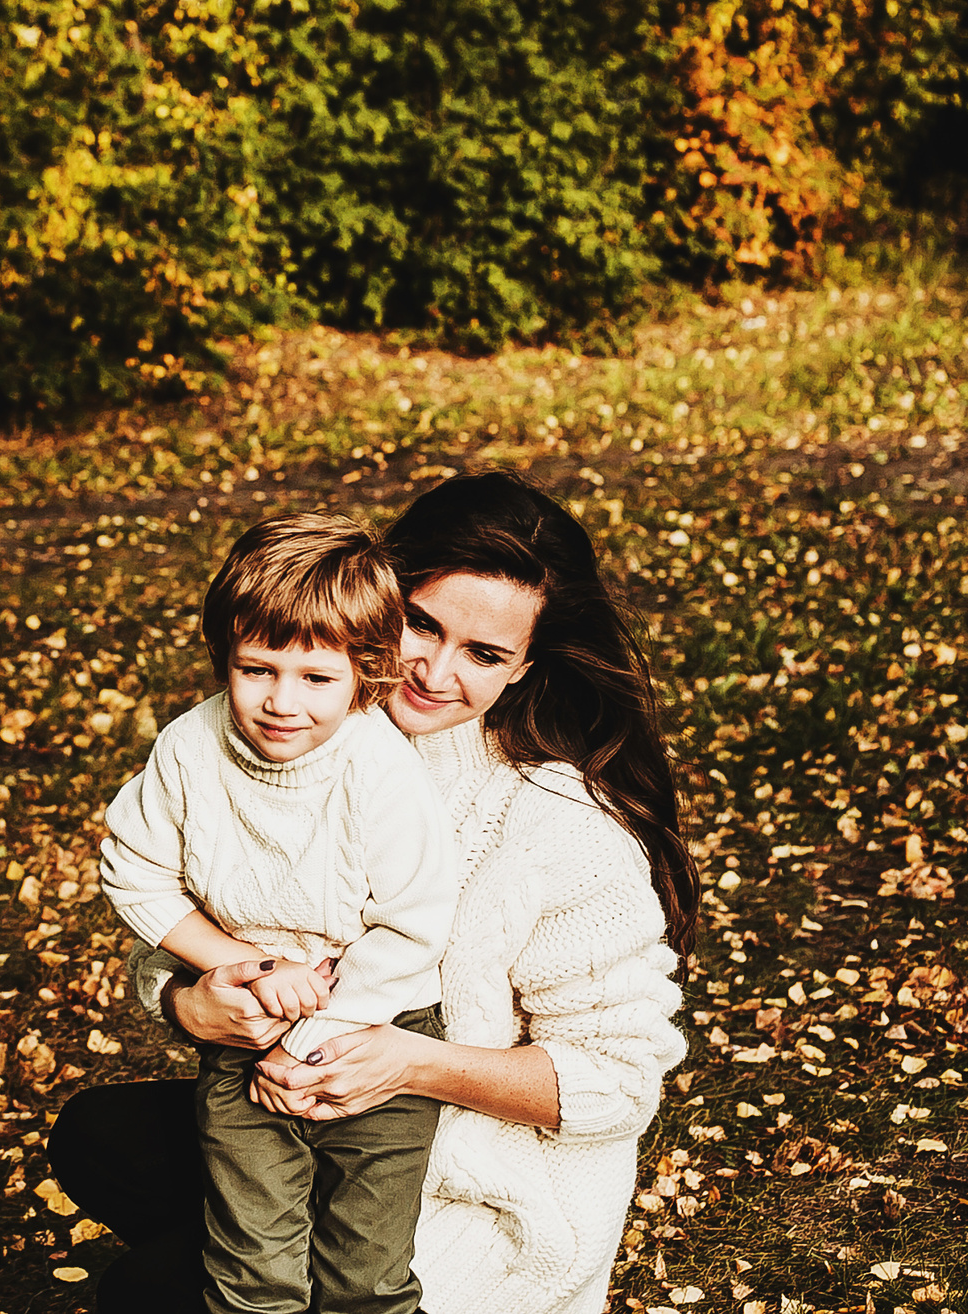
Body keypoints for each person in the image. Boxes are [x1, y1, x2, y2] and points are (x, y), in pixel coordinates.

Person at [53, 472, 698, 1314]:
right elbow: (194, 907)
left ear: (522, 668)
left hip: (473, 1183)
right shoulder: (295, 730)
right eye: (421, 624)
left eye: (485, 654)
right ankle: (271, 1252)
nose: (433, 670)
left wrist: (408, 1063)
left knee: (148, 1296)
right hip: (303, 1109)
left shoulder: (560, 824)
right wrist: (191, 1002)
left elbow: (616, 1082)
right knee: (99, 1137)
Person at [98, 512, 457, 1314]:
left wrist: (314, 1035)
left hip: (376, 1037)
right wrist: (239, 964)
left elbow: (413, 925)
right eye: (256, 669)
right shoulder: (189, 748)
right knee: (252, 1271)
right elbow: (134, 870)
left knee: (366, 1278)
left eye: (316, 678)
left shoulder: (379, 770)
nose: (280, 702)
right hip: (246, 1040)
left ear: (367, 672)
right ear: (224, 654)